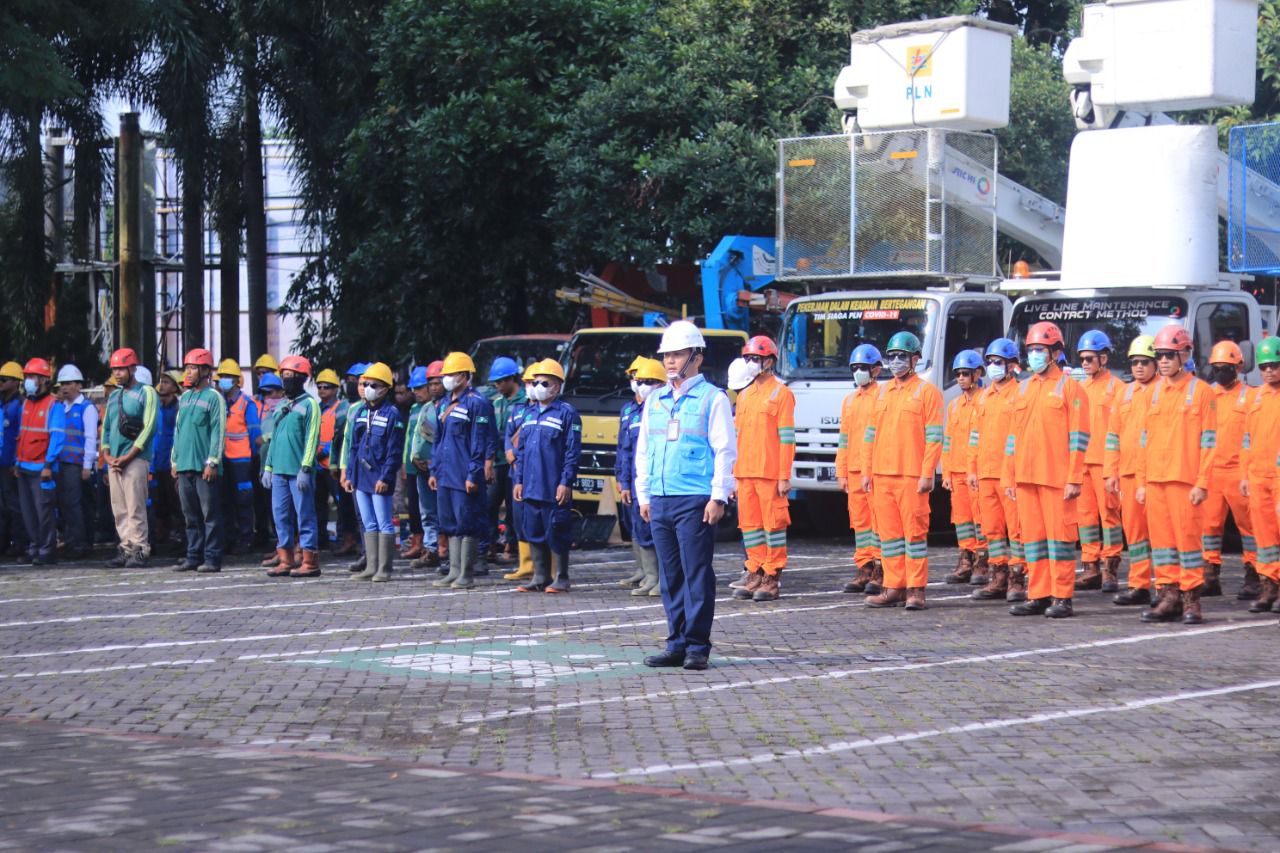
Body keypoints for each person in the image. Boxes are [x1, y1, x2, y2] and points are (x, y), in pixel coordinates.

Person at [636, 320, 736, 671]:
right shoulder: (656, 401)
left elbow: (725, 450)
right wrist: (644, 495)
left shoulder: (714, 398)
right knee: (670, 576)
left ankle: (697, 645)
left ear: (697, 356)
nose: (670, 362)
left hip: (694, 498)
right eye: (667, 355)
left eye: (678, 354)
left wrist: (718, 496)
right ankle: (675, 642)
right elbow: (644, 450)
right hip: (661, 499)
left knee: (696, 574)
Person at [1003, 321, 1090, 619]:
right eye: (1031, 350)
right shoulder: (1023, 388)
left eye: (1040, 349)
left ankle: (1062, 596)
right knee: (1034, 539)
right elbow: (1012, 437)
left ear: (1054, 353)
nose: (1034, 355)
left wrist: (1075, 478)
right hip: (1026, 478)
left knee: (1061, 540)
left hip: (1057, 478)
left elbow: (1079, 437)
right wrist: (1009, 475)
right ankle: (1038, 593)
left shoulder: (1071, 388)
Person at [1135, 325, 1216, 624]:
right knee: (1163, 543)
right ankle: (1169, 596)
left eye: (1170, 355)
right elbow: (1143, 441)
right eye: (1160, 355)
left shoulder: (1202, 392)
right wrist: (1141, 482)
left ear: (1185, 354)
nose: (1164, 361)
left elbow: (1209, 442)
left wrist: (1202, 482)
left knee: (1189, 543)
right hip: (1156, 481)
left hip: (1185, 481)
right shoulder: (1152, 393)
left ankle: (1191, 599)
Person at [862, 331, 943, 611]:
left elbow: (934, 437)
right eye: (892, 356)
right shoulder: (882, 391)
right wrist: (867, 471)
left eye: (901, 356)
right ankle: (893, 586)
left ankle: (916, 589)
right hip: (883, 476)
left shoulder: (927, 392)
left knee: (914, 536)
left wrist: (926, 472)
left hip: (911, 476)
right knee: (890, 538)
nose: (896, 361)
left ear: (915, 359)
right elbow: (870, 435)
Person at [730, 336, 795, 603]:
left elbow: (787, 438)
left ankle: (772, 576)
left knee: (773, 526)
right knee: (750, 527)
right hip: (745, 472)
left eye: (754, 359)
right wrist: (734, 475)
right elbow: (737, 437)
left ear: (769, 362)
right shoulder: (744, 395)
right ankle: (755, 569)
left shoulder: (782, 394)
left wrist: (783, 476)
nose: (750, 364)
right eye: (747, 359)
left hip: (769, 474)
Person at [513, 359, 581, 593]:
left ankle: (561, 577)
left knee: (557, 531)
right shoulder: (529, 413)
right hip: (531, 485)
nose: (538, 386)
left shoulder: (567, 413)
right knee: (534, 530)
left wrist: (565, 482)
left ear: (556, 386)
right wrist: (518, 480)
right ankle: (539, 576)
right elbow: (520, 450)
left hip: (553, 486)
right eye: (535, 382)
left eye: (544, 382)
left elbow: (572, 452)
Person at [429, 352, 497, 589]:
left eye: (452, 374)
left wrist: (474, 473)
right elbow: (438, 439)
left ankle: (466, 574)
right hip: (446, 473)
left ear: (466, 376)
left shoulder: (477, 403)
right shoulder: (445, 403)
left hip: (464, 473)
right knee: (448, 522)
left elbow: (480, 441)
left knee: (467, 521)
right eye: (445, 374)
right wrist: (433, 470)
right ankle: (454, 570)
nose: (448, 378)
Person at [967, 338, 1025, 601]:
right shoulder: (983, 398)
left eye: (998, 362)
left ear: (1012, 365)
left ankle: (1017, 578)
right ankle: (998, 576)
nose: (992, 367)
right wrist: (971, 469)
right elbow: (975, 437)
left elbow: (1020, 437)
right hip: (986, 472)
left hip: (1010, 474)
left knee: (1017, 529)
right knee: (992, 529)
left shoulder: (1020, 394)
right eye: (989, 362)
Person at [1105, 336, 1160, 605]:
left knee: (1161, 533)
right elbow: (1113, 436)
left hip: (1157, 474)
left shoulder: (1163, 390)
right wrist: (1110, 472)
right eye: (1135, 362)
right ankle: (1139, 585)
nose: (1139, 367)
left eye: (1145, 362)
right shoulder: (1124, 393)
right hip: (1128, 473)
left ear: (1156, 364)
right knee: (1135, 533)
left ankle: (1166, 585)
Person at [1069, 331, 1124, 594]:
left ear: (1103, 358)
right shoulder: (1080, 389)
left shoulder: (1118, 388)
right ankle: (1090, 565)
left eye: (1090, 358)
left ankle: (1110, 567)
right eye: (1082, 359)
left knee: (1109, 516)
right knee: (1085, 517)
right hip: (1083, 463)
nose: (1085, 364)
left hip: (1105, 463)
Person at [1201, 340, 1256, 597]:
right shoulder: (1208, 395)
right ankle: (1210, 574)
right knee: (1209, 526)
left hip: (1238, 472)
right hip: (1212, 472)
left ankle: (1254, 574)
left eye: (1226, 367)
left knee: (1250, 527)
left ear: (1238, 367)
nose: (1221, 372)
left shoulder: (1250, 397)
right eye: (1217, 367)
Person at [345, 362, 406, 582]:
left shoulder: (392, 414)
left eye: (374, 384)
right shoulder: (361, 412)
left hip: (380, 476)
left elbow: (394, 450)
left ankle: (384, 568)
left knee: (384, 522)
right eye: (367, 383)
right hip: (361, 476)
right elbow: (353, 447)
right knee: (368, 522)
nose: (368, 387)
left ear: (385, 388)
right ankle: (371, 566)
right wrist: (351, 474)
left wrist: (386, 477)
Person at [263, 356, 322, 578]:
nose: (286, 380)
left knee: (305, 514)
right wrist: (268, 466)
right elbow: (274, 438)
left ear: (301, 379)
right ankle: (285, 559)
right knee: (280, 515)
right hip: (278, 470)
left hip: (298, 472)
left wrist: (305, 468)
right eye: (284, 376)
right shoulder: (281, 405)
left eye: (290, 376)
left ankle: (309, 560)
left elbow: (311, 438)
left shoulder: (310, 405)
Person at [101, 348, 159, 568]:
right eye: (115, 369)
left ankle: (140, 548)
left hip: (136, 458)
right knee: (119, 508)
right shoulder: (115, 395)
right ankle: (125, 548)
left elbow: (149, 426)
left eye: (121, 369)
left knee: (135, 506)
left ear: (132, 368)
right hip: (115, 459)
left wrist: (130, 454)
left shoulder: (147, 392)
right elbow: (106, 427)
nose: (117, 373)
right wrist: (107, 454)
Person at [171, 349, 226, 573]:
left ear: (205, 371)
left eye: (193, 368)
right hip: (184, 465)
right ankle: (193, 555)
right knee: (190, 515)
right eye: (187, 368)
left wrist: (212, 461)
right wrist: (174, 460)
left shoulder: (214, 398)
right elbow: (178, 429)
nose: (189, 372)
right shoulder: (184, 397)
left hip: (204, 467)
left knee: (210, 515)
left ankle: (212, 558)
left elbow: (218, 431)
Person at [835, 344, 884, 594]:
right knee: (860, 522)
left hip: (874, 470)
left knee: (877, 521)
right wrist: (841, 470)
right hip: (854, 469)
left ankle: (879, 567)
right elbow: (844, 437)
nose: (858, 373)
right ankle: (864, 566)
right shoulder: (850, 401)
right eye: (855, 368)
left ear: (875, 370)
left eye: (863, 368)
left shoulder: (882, 397)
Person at [617, 357, 665, 596]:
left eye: (646, 380)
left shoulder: (661, 408)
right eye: (636, 379)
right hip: (637, 480)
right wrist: (623, 480)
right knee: (639, 528)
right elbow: (624, 449)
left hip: (658, 480)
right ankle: (649, 575)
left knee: (657, 529)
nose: (638, 383)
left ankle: (659, 578)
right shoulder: (628, 411)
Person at [1240, 336, 1280, 612]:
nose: (1269, 371)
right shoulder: (1255, 398)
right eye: (1265, 366)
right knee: (1264, 536)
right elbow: (1246, 439)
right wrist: (1244, 474)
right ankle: (1269, 585)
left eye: (1275, 365)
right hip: (1258, 477)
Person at [942, 350, 987, 585]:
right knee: (961, 518)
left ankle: (982, 560)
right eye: (958, 374)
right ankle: (965, 559)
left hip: (977, 472)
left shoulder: (984, 400)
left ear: (977, 374)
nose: (960, 378)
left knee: (980, 517)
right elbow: (947, 440)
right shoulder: (954, 406)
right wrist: (947, 471)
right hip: (957, 472)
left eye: (965, 374)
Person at [14, 358, 65, 564]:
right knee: (28, 512)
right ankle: (35, 546)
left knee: (43, 511)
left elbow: (57, 439)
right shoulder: (27, 403)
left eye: (32, 377)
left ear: (44, 380)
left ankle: (47, 549)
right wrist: (18, 461)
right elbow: (22, 434)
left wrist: (48, 465)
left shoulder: (54, 405)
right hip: (24, 465)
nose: (28, 381)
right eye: (27, 377)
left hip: (42, 468)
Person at [216, 359, 262, 554]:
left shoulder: (246, 403)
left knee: (243, 501)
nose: (223, 381)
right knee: (225, 500)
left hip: (242, 461)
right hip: (223, 460)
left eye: (227, 377)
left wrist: (253, 458)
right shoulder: (219, 402)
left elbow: (254, 434)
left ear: (236, 380)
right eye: (221, 377)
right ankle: (229, 538)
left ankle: (246, 539)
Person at [53, 364, 97, 559]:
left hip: (76, 464)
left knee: (74, 504)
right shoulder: (60, 407)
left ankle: (79, 544)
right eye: (62, 384)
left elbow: (90, 438)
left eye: (69, 383)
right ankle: (72, 540)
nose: (64, 387)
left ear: (78, 385)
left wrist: (87, 465)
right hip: (61, 462)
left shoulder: (86, 408)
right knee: (64, 504)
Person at [501, 363, 538, 582]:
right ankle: (525, 564)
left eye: (532, 383)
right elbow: (508, 433)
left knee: (537, 519)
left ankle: (541, 565)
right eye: (527, 383)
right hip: (515, 471)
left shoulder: (545, 409)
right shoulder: (518, 409)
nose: (530, 387)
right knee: (518, 517)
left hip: (535, 472)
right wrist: (509, 450)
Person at [485, 356, 524, 566]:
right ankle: (490, 543)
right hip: (497, 460)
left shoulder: (524, 401)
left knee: (513, 505)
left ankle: (512, 544)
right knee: (490, 504)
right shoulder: (496, 402)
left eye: (501, 381)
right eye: (496, 382)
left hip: (514, 462)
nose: (498, 386)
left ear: (511, 379)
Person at [408, 361, 445, 570]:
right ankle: (431, 548)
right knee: (427, 511)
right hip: (420, 468)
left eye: (436, 383)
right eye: (430, 384)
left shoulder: (447, 407)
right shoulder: (425, 408)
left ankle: (444, 548)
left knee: (443, 510)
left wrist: (434, 462)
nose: (433, 387)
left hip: (439, 468)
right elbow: (416, 437)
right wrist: (414, 456)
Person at [336, 362, 369, 561]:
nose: (358, 387)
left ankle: (379, 558)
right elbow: (347, 442)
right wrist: (343, 469)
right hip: (355, 469)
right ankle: (367, 555)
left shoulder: (387, 410)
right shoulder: (353, 409)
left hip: (375, 471)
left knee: (376, 517)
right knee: (360, 514)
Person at [314, 368, 349, 552]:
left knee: (341, 503)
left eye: (326, 387)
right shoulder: (316, 409)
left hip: (332, 465)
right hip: (317, 466)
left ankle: (345, 538)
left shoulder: (341, 408)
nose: (321, 390)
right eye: (319, 387)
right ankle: (321, 538)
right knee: (318, 504)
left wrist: (326, 452)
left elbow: (340, 435)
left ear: (335, 389)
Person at [150, 369, 184, 546]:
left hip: (171, 463)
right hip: (156, 463)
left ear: (175, 387)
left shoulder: (178, 409)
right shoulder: (155, 407)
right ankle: (162, 535)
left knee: (175, 502)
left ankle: (180, 536)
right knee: (158, 502)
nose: (162, 385)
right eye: (161, 381)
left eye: (167, 382)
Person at [0, 361, 26, 557]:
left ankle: (19, 542)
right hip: (2, 460)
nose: (1, 383)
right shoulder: (3, 403)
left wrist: (17, 460)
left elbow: (21, 434)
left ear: (16, 382)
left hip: (10, 463)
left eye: (4, 379)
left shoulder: (20, 405)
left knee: (13, 504)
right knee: (3, 505)